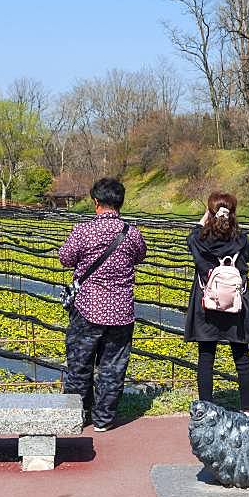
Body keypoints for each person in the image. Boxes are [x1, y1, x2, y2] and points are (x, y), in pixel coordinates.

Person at [58, 178, 147, 431]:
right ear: (120, 203)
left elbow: (65, 258)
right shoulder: (132, 234)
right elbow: (141, 255)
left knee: (79, 364)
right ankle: (104, 419)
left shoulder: (83, 231)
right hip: (121, 311)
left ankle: (77, 415)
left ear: (96, 203)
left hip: (87, 309)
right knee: (113, 367)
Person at [184, 191, 249, 414]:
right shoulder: (242, 240)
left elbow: (191, 237)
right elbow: (248, 255)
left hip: (208, 303)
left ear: (210, 212)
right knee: (242, 357)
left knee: (206, 357)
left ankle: (206, 408)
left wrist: (202, 221)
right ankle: (247, 409)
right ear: (233, 213)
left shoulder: (199, 239)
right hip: (236, 304)